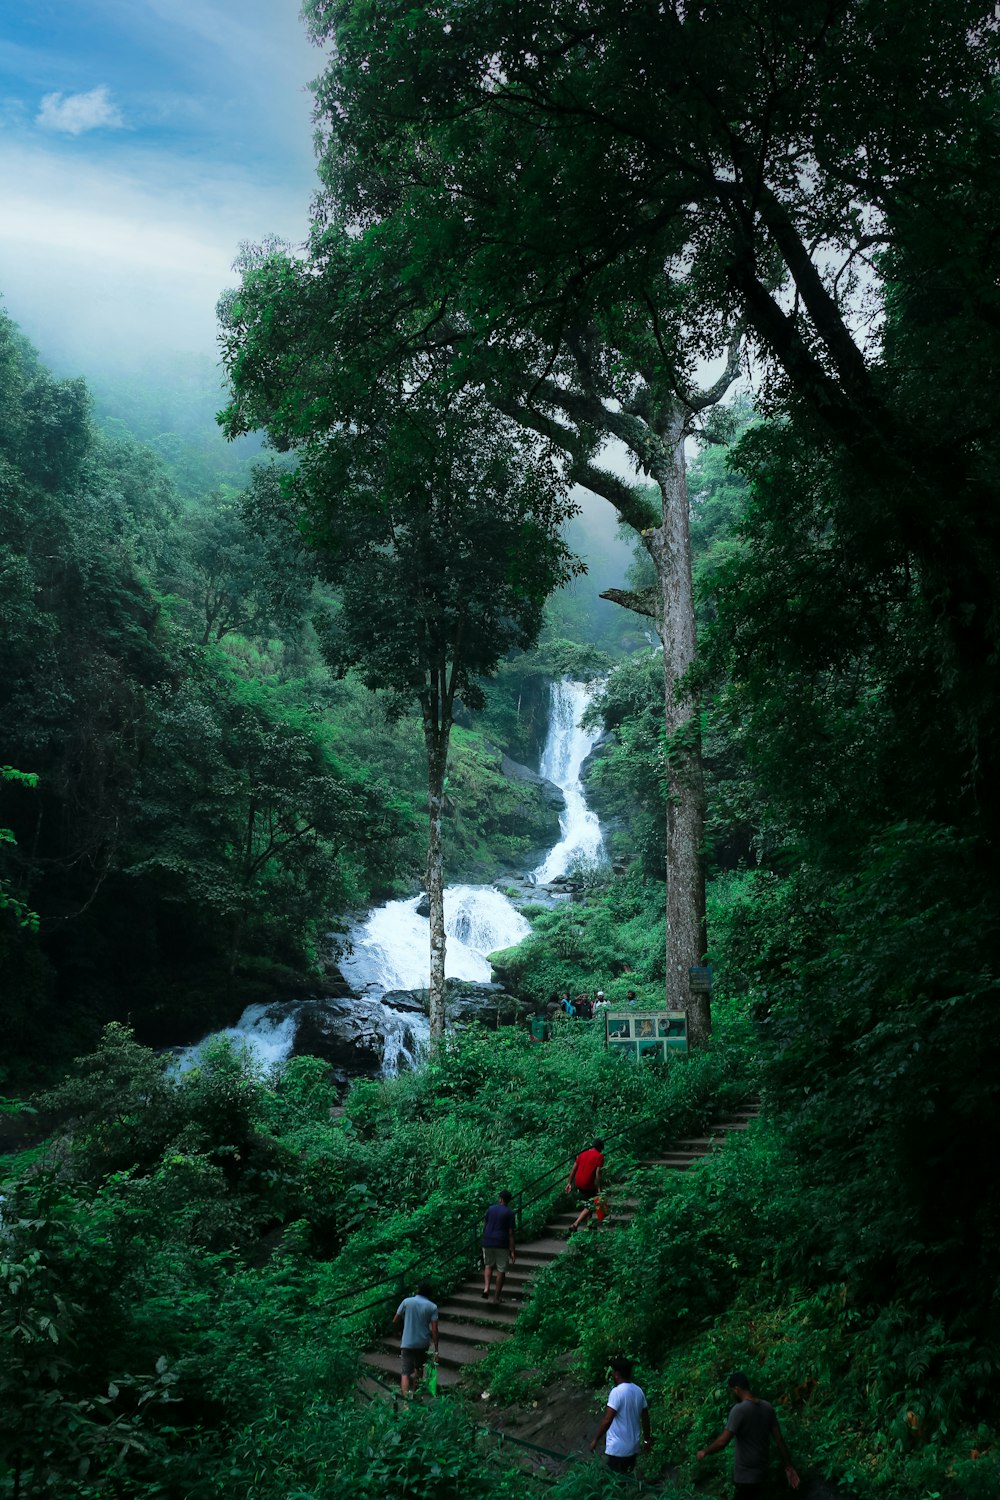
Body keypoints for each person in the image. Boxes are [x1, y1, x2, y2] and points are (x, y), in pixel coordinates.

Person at [696, 1370, 800, 1498]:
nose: (731, 1394)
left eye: (731, 1391)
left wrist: (704, 1452)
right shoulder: (767, 1407)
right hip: (763, 1474)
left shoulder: (739, 1410)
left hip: (745, 1477)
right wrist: (789, 1466)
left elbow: (722, 1442)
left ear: (737, 1389)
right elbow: (779, 1440)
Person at [590, 1355, 651, 1472]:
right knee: (625, 1480)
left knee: (614, 1482)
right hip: (633, 1448)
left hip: (618, 1449)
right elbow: (645, 1418)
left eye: (613, 1372)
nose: (612, 1374)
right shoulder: (639, 1391)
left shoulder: (617, 1392)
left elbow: (608, 1419)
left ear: (617, 1374)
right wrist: (647, 1440)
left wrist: (595, 1439)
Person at [393, 1280, 439, 1396]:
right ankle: (416, 1396)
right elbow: (434, 1330)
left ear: (417, 1290)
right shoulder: (432, 1307)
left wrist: (397, 1332)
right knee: (419, 1370)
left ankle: (405, 1405)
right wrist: (436, 1349)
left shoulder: (407, 1302)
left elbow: (395, 1320)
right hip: (422, 1343)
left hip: (407, 1342)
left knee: (405, 1373)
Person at [481, 1189, 517, 1302]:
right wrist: (512, 1251)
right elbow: (510, 1233)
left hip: (487, 1240)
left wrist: (485, 1238)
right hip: (501, 1243)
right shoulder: (510, 1213)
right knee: (501, 1270)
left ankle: (486, 1288)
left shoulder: (491, 1209)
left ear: (500, 1199)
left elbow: (485, 1225)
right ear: (508, 1201)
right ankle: (496, 1297)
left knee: (488, 1265)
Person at [566, 1137, 604, 1232]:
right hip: (588, 1183)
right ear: (599, 1148)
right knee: (592, 1204)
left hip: (578, 1182)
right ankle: (575, 1224)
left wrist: (569, 1183)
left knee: (588, 1202)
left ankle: (589, 1225)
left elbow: (573, 1168)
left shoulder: (582, 1154)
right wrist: (599, 1188)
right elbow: (598, 1173)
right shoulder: (599, 1156)